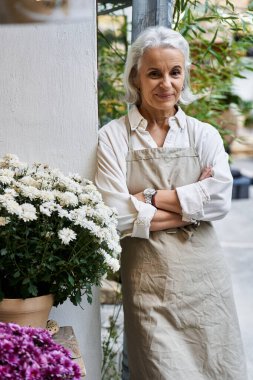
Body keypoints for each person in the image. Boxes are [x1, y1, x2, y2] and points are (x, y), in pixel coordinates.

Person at [95, 26, 247, 380]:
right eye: (154, 73)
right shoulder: (113, 137)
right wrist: (190, 206)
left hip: (206, 283)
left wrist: (146, 198)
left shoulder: (203, 133)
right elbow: (114, 215)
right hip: (148, 284)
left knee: (218, 369)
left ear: (184, 75)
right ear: (135, 77)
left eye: (174, 72)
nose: (166, 83)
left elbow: (221, 199)